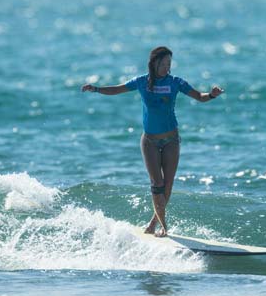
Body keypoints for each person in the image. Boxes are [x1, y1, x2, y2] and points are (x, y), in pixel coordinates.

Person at [82, 46, 224, 237]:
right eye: (164, 63)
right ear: (154, 63)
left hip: (171, 139)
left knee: (167, 185)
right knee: (156, 183)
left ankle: (154, 224)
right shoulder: (142, 81)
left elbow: (199, 97)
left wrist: (212, 95)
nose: (167, 67)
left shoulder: (175, 82)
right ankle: (163, 226)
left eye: (169, 64)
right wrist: (97, 89)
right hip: (149, 141)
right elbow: (118, 89)